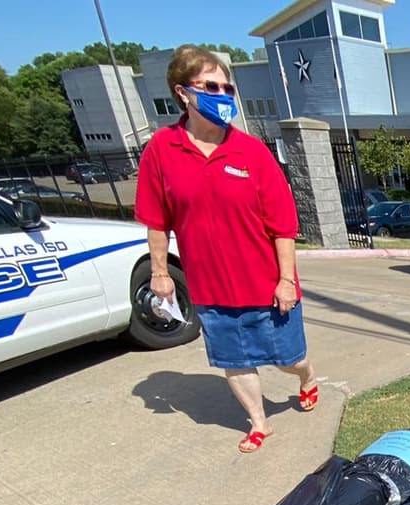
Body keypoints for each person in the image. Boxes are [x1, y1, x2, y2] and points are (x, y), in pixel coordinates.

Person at [135, 45, 316, 454]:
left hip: (266, 283)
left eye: (227, 87)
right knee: (234, 362)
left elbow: (283, 225)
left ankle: (306, 379)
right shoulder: (162, 151)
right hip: (211, 289)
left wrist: (286, 279)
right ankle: (258, 423)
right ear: (183, 92)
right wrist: (161, 273)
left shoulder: (251, 152)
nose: (223, 95)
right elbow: (156, 220)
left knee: (288, 357)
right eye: (211, 86)